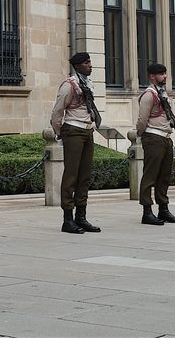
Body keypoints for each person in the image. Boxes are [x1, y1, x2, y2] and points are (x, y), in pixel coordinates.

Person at [50, 52, 100, 234]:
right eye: (86, 63)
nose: (90, 65)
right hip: (73, 129)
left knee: (84, 175)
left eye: (90, 62)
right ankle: (67, 219)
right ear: (77, 66)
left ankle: (81, 216)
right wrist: (59, 132)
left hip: (87, 130)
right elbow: (57, 111)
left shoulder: (87, 83)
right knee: (71, 175)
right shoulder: (69, 85)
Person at [135, 63, 175, 226]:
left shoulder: (163, 94)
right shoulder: (149, 95)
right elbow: (142, 120)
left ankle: (163, 209)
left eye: (165, 73)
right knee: (150, 176)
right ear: (152, 76)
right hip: (153, 137)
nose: (165, 76)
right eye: (161, 74)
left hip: (165, 137)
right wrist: (142, 135)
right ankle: (147, 212)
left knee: (164, 176)